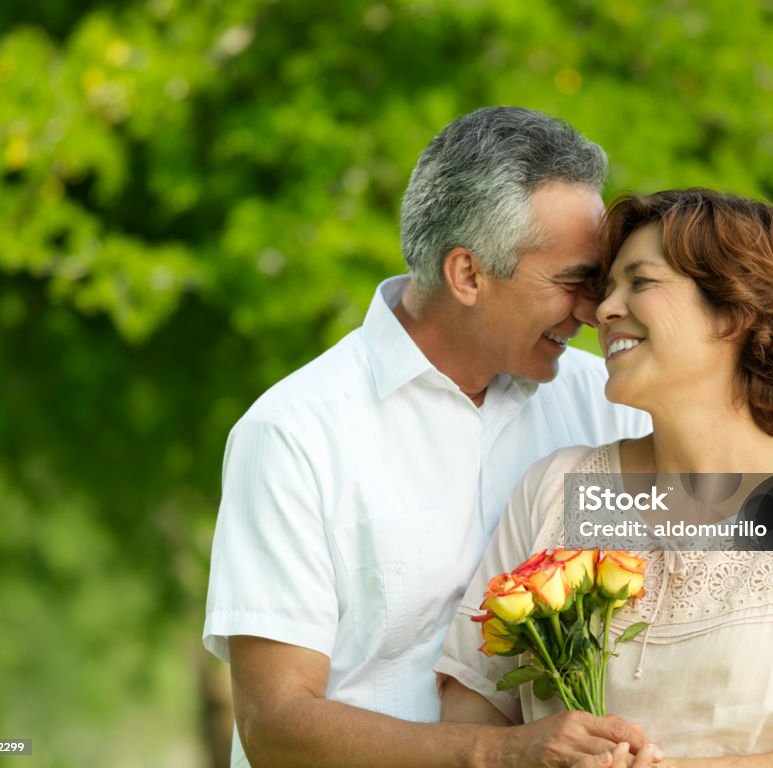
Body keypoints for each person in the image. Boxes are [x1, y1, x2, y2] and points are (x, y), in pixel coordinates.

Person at [203, 107, 657, 768]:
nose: (593, 312)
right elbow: (275, 724)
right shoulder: (294, 436)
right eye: (572, 282)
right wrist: (499, 755)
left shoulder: (611, 408)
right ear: (467, 274)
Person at [437, 189, 773, 767]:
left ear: (734, 309)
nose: (602, 310)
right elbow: (472, 718)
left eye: (640, 282)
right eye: (607, 289)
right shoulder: (556, 487)